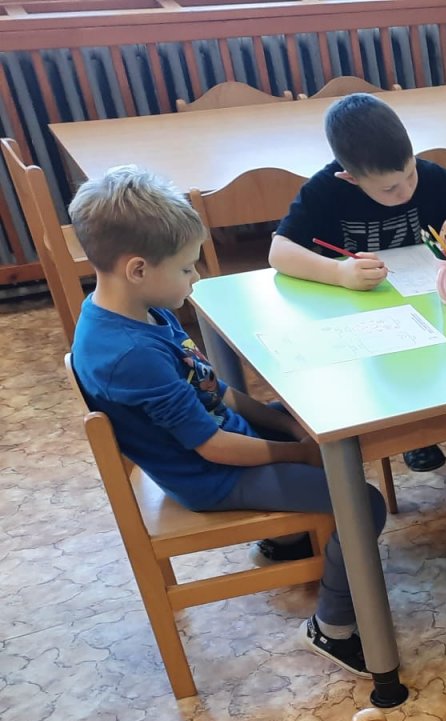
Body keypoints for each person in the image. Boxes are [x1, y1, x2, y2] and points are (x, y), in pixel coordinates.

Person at [70, 166, 385, 675]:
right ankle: (332, 628)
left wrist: (289, 425)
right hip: (212, 477)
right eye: (186, 268)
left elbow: (212, 389)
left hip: (216, 446)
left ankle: (286, 541)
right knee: (362, 503)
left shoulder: (140, 309)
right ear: (138, 269)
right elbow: (214, 446)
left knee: (319, 413)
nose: (195, 278)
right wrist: (299, 451)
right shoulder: (129, 356)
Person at [269, 92, 446, 472]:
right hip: (370, 317)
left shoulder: (425, 175)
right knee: (400, 378)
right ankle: (417, 439)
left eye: (409, 175)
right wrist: (338, 273)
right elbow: (279, 252)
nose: (406, 191)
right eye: (389, 188)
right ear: (350, 177)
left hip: (434, 304)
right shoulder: (326, 190)